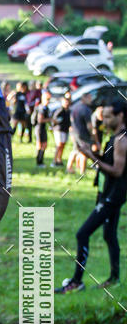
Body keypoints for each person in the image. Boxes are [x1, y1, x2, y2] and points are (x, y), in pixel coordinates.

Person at [56, 101, 127, 293]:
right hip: (108, 193)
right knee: (109, 235)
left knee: (83, 233)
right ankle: (114, 278)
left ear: (120, 116)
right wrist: (91, 153)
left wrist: (92, 157)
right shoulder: (114, 137)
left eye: (109, 116)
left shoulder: (122, 140)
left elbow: (117, 171)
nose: (105, 120)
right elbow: (108, 162)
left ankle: (76, 282)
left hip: (114, 196)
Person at [67, 90, 94, 175]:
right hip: (83, 133)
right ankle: (82, 172)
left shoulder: (74, 107)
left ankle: (69, 168)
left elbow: (70, 120)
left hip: (74, 132)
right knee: (84, 152)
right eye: (89, 98)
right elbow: (89, 125)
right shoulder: (86, 109)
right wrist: (92, 134)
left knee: (75, 150)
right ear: (84, 98)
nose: (91, 100)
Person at [52, 94, 72, 167]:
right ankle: (54, 161)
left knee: (63, 145)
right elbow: (54, 120)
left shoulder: (69, 111)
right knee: (59, 145)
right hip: (59, 130)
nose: (66, 103)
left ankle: (59, 159)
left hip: (65, 130)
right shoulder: (60, 110)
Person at [35, 90, 52, 167]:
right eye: (47, 99)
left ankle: (41, 161)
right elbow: (40, 120)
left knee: (44, 145)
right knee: (40, 145)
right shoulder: (41, 108)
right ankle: (39, 161)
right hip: (39, 129)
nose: (48, 101)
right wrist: (50, 119)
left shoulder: (46, 108)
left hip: (43, 128)